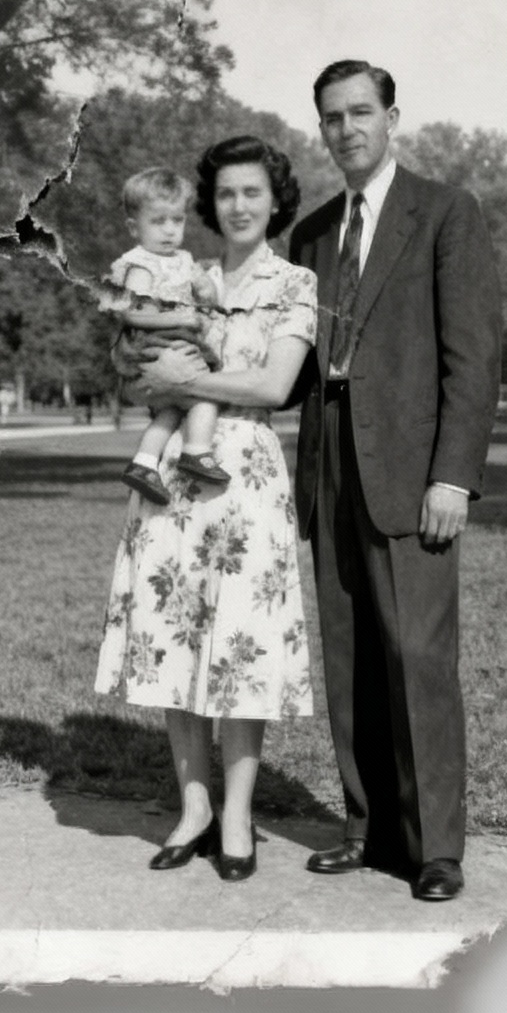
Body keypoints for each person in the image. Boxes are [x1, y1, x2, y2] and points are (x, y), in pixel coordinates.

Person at [289, 61, 502, 902]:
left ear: (392, 119)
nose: (348, 129)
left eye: (362, 113)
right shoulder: (308, 235)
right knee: (348, 652)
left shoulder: (446, 213)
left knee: (416, 652)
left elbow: (473, 358)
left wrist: (453, 476)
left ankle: (435, 847)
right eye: (333, 118)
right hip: (329, 454)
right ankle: (366, 827)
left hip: (413, 470)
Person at [94, 135, 320, 882]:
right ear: (207, 203)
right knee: (173, 640)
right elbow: (130, 366)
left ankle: (236, 814)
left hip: (243, 474)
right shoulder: (180, 273)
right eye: (225, 194)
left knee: (240, 648)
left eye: (252, 191)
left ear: (275, 198)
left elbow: (272, 388)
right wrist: (149, 373)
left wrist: (178, 380)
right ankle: (191, 807)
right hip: (170, 478)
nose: (239, 205)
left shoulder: (294, 283)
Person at [95, 167, 232, 503]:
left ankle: (143, 461)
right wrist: (179, 316)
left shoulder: (183, 259)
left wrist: (207, 287)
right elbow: (131, 312)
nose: (170, 230)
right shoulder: (141, 264)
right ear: (134, 227)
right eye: (158, 221)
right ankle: (196, 452)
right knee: (205, 394)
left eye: (177, 220)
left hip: (176, 343)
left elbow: (210, 297)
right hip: (150, 345)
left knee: (172, 407)